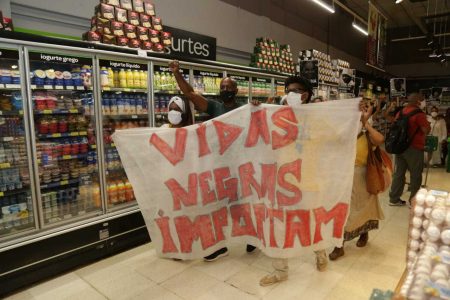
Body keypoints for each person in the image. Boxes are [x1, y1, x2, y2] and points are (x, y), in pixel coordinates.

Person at [168, 60, 257, 262]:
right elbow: (190, 94)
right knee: (215, 206)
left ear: (236, 90)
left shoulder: (244, 109)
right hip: (217, 165)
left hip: (239, 164)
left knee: (242, 204)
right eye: (223, 87)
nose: (225, 90)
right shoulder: (215, 106)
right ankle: (218, 245)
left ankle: (253, 235)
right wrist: (177, 74)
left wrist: (258, 107)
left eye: (229, 87)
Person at [259, 75, 327, 287]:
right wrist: (261, 113)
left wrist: (353, 113)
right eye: (288, 90)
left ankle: (321, 254)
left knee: (311, 222)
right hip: (282, 182)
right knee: (279, 226)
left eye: (296, 90)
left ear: (306, 94)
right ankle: (280, 271)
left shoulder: (317, 118)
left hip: (308, 181)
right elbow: (261, 138)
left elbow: (335, 135)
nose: (291, 94)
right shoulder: (278, 116)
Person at [328, 103, 385, 261]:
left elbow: (380, 139)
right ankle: (339, 246)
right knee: (343, 211)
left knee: (361, 209)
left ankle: (359, 235)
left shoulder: (368, 134)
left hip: (361, 176)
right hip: (341, 175)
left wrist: (365, 123)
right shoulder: (344, 133)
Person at [389, 93, 431, 206]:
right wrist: (428, 124)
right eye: (423, 100)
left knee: (399, 173)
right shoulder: (419, 114)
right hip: (414, 148)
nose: (424, 102)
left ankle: (394, 199)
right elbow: (426, 130)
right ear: (418, 101)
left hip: (400, 147)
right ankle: (414, 201)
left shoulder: (401, 112)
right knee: (416, 174)